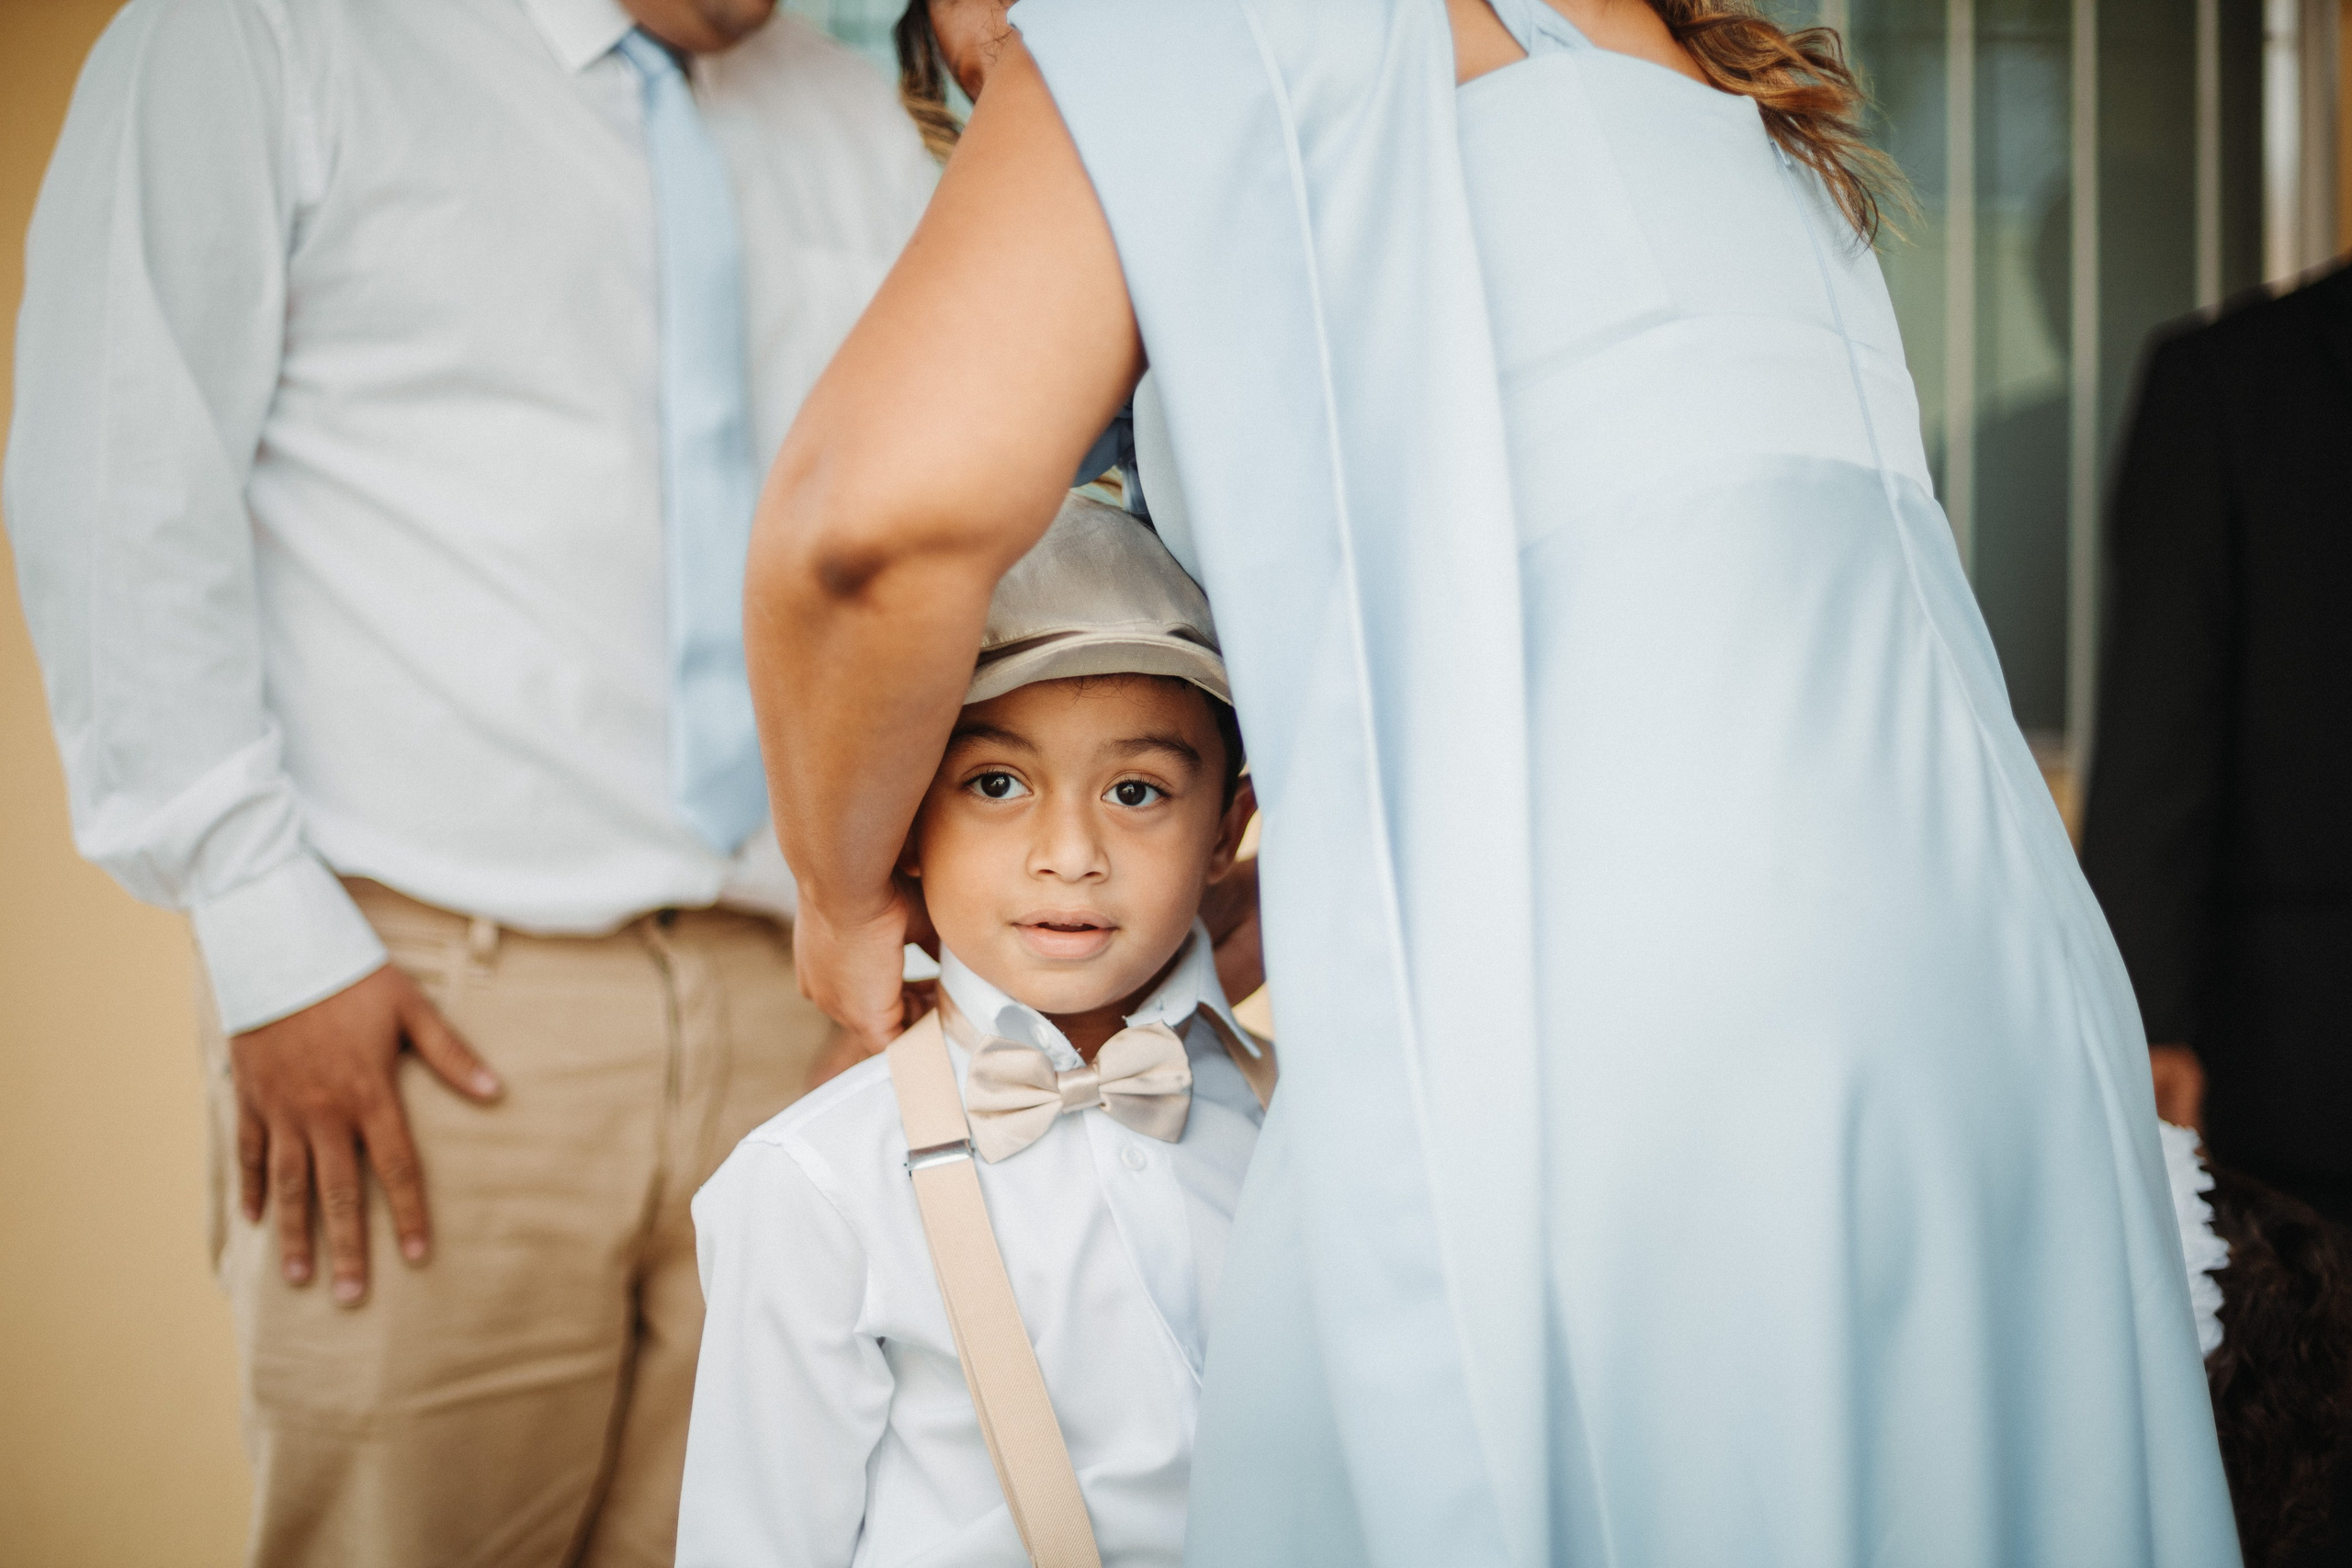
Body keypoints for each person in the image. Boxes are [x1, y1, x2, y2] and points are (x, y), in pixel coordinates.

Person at [741, 0, 2240, 1562]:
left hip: (1639, 1055)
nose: (1023, 66)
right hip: (1989, 1018)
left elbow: (868, 534)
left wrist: (843, 887)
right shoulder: (1663, 61)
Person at [4, 0, 933, 1562]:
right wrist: (267, 935)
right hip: (424, 1016)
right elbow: (120, 483)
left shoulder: (851, 123)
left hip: (797, 1014)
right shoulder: (258, 39)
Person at [677, 494, 1269, 1566]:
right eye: (997, 784)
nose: (1070, 853)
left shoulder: (1297, 1131)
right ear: (904, 822)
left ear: (1225, 830)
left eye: (1136, 791)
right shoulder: (812, 1185)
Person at [2082, 259, 2352, 1568]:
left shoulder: (2225, 379)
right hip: (2290, 1091)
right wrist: (2151, 1023)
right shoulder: (2230, 381)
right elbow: (2157, 741)